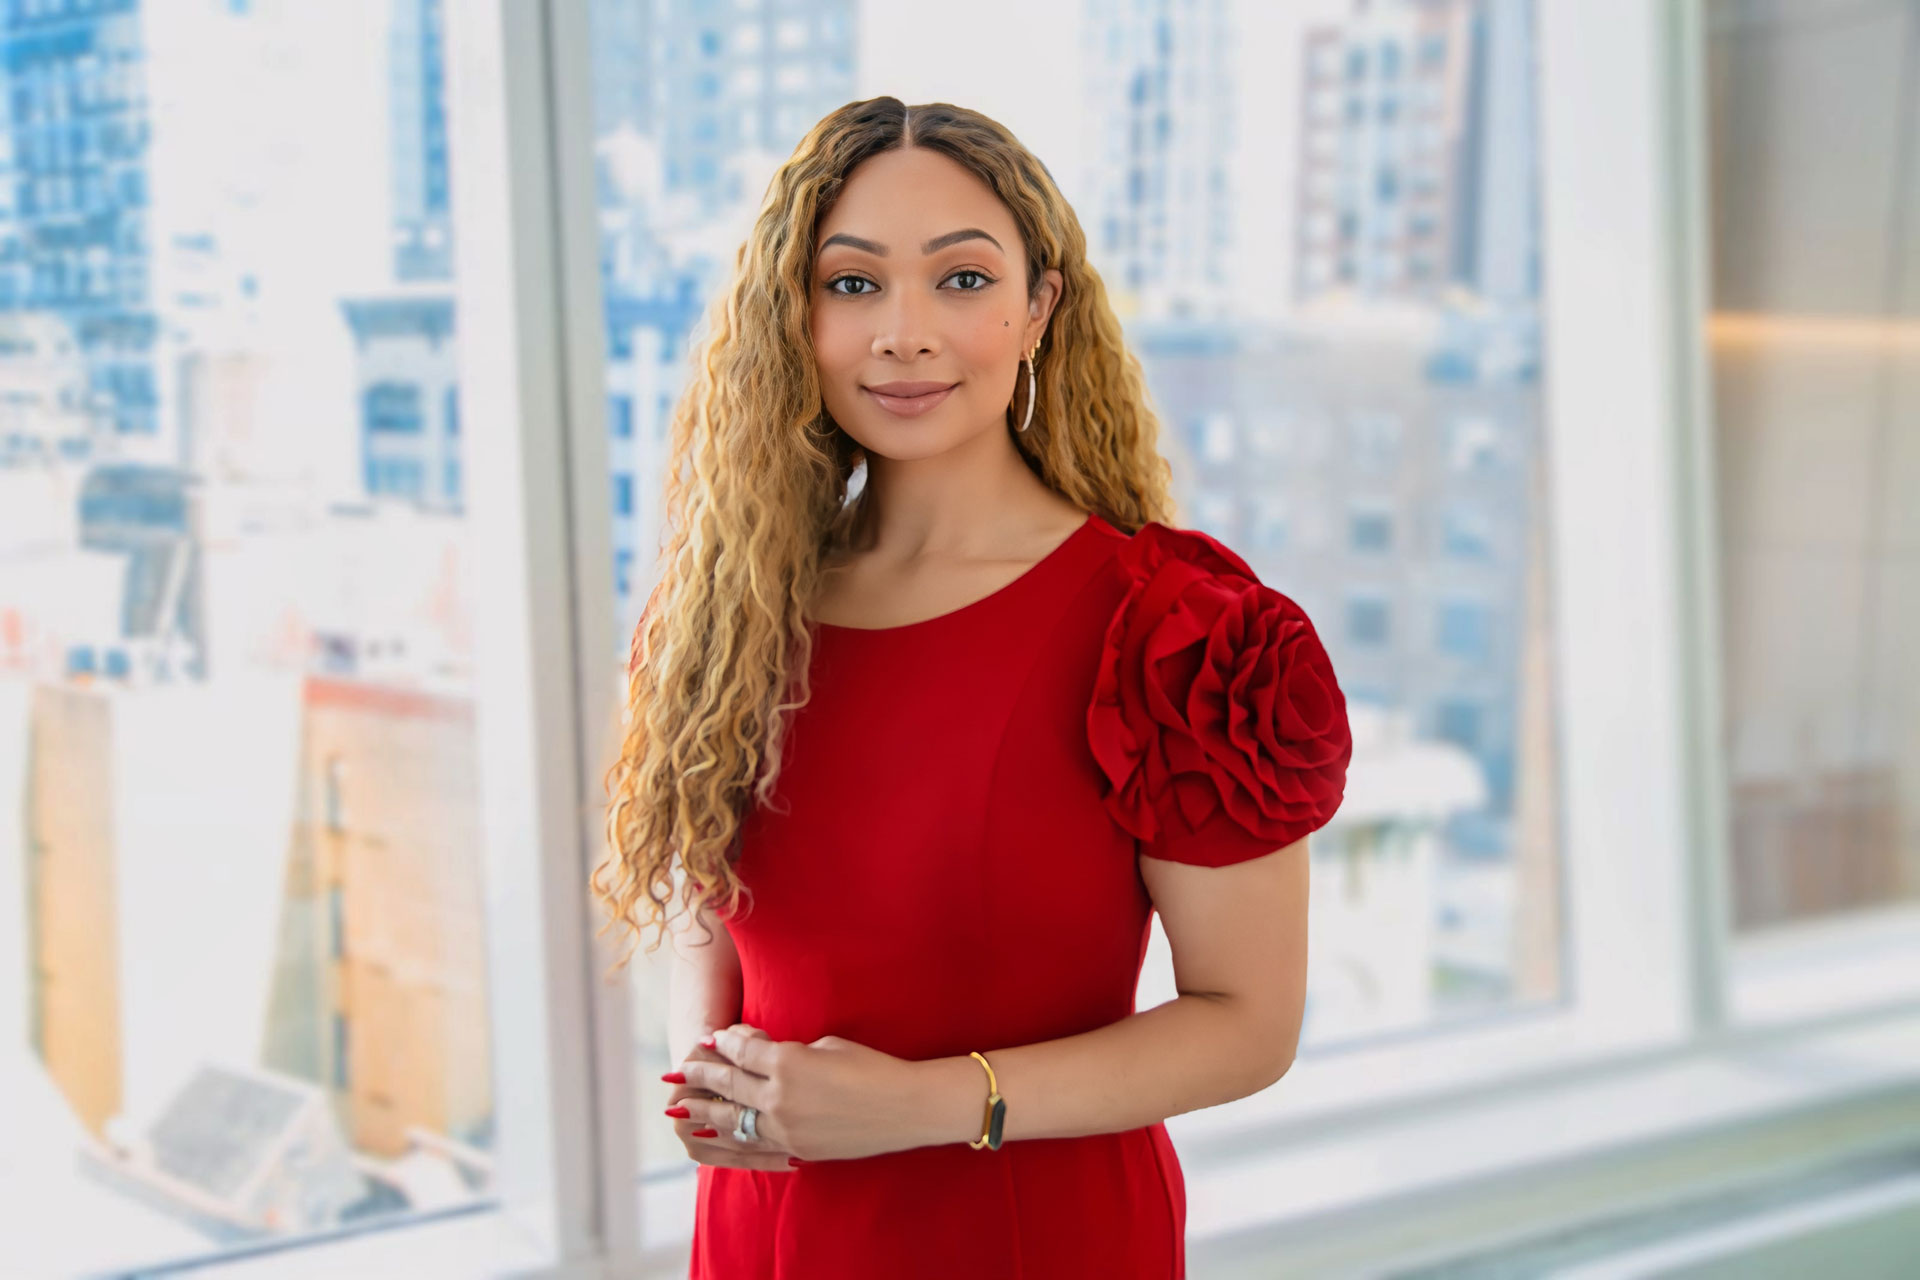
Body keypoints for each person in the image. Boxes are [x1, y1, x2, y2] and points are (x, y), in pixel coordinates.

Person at [593, 95, 1353, 1280]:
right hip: (762, 1230)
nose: (904, 334)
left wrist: (929, 1103)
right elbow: (725, 905)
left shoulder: (1179, 636)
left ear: (1038, 306)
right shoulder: (723, 615)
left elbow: (1249, 1023)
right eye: (853, 283)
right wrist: (717, 1066)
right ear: (793, 315)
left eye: (960, 279)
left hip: (1032, 1234)